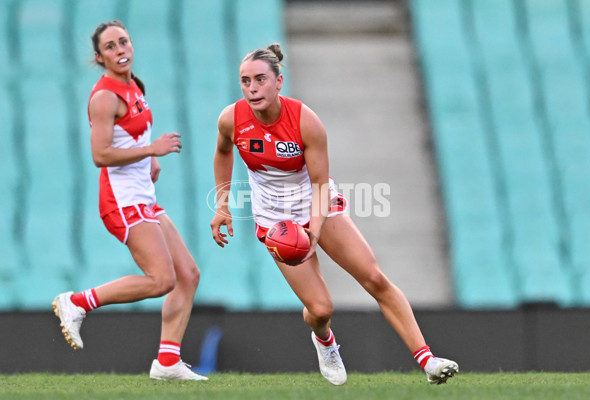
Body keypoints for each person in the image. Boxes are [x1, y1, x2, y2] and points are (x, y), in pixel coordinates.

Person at [210, 43, 459, 385]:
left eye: (260, 80)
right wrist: (223, 204)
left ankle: (428, 361)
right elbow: (223, 152)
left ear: (279, 82)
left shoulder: (304, 121)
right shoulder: (231, 119)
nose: (252, 88)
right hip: (274, 222)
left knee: (374, 278)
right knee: (321, 309)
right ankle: (324, 341)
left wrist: (314, 229)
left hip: (317, 203)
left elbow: (319, 184)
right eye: (245, 81)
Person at [52, 20, 206, 381]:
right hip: (121, 202)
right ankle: (77, 302)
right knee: (161, 280)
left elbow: (136, 131)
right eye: (110, 46)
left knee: (188, 274)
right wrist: (151, 149)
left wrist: (148, 157)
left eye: (123, 42)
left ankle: (167, 363)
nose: (120, 50)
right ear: (99, 57)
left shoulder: (135, 85)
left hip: (144, 197)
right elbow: (101, 155)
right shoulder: (105, 97)